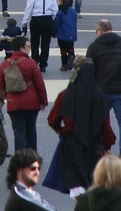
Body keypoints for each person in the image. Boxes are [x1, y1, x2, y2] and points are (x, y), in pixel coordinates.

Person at [44, 60, 115, 196]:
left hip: (71, 142)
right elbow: (105, 125)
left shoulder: (65, 94)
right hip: (94, 144)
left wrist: (61, 130)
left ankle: (81, 207)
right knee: (92, 178)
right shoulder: (99, 96)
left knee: (75, 179)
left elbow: (53, 119)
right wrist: (107, 146)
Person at [85, 19, 121, 166]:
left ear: (100, 31)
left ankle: (102, 151)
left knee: (100, 123)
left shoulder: (94, 47)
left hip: (101, 92)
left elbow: (89, 70)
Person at [0, 36, 49, 153]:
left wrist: (5, 98)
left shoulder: (5, 64)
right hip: (32, 103)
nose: (30, 49)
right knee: (31, 130)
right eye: (28, 46)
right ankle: (32, 158)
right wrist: (43, 101)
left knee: (18, 131)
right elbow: (39, 84)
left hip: (13, 103)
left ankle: (20, 159)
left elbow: (1, 84)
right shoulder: (31, 63)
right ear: (21, 48)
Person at [21, 0, 59, 71]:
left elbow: (28, 10)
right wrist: (53, 20)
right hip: (48, 19)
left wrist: (24, 23)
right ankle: (43, 64)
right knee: (46, 44)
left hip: (36, 20)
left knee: (34, 43)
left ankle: (35, 62)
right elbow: (55, 10)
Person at [53, 0, 79, 72]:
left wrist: (54, 31)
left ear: (60, 1)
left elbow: (56, 22)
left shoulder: (60, 11)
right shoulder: (73, 11)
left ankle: (64, 65)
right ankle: (71, 55)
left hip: (62, 34)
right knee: (70, 47)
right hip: (71, 34)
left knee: (63, 50)